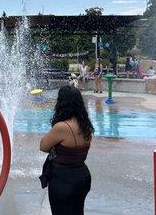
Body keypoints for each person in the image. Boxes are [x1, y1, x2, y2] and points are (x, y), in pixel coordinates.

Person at [40, 85, 94, 215]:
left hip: (64, 180)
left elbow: (43, 146)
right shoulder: (85, 124)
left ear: (61, 103)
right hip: (82, 177)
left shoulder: (62, 127)